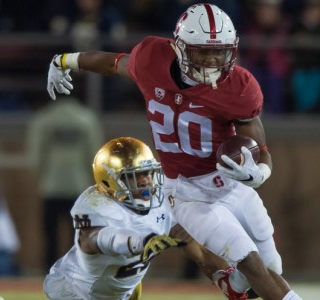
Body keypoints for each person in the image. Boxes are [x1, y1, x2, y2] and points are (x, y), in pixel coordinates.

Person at [46, 3, 302, 300]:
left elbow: (262, 149)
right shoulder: (152, 60)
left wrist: (259, 173)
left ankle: (235, 286)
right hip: (188, 192)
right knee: (253, 264)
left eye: (219, 51)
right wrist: (65, 60)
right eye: (202, 52)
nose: (211, 60)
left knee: (271, 268)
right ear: (179, 48)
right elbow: (113, 63)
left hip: (232, 186)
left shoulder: (239, 87)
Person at [43, 137, 232, 300]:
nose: (146, 181)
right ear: (109, 181)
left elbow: (195, 247)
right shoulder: (96, 206)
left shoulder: (162, 198)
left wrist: (227, 279)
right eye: (134, 176)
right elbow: (98, 239)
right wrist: (140, 241)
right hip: (76, 293)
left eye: (148, 173)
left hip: (122, 289)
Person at [27, 96, 105, 270]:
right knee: (77, 237)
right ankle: (76, 271)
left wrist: (41, 176)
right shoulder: (86, 118)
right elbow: (94, 154)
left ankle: (49, 270)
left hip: (51, 186)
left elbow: (36, 155)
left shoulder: (44, 119)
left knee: (50, 237)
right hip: (78, 188)